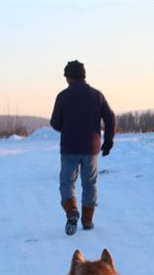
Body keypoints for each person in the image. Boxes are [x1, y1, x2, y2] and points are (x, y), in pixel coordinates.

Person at [50, 60, 116, 235]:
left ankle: (71, 212)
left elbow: (55, 123)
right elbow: (111, 118)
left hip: (69, 147)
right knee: (90, 183)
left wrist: (67, 125)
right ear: (84, 75)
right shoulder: (97, 95)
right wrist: (108, 140)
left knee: (67, 182)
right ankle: (87, 220)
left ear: (68, 77)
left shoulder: (63, 96)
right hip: (91, 148)